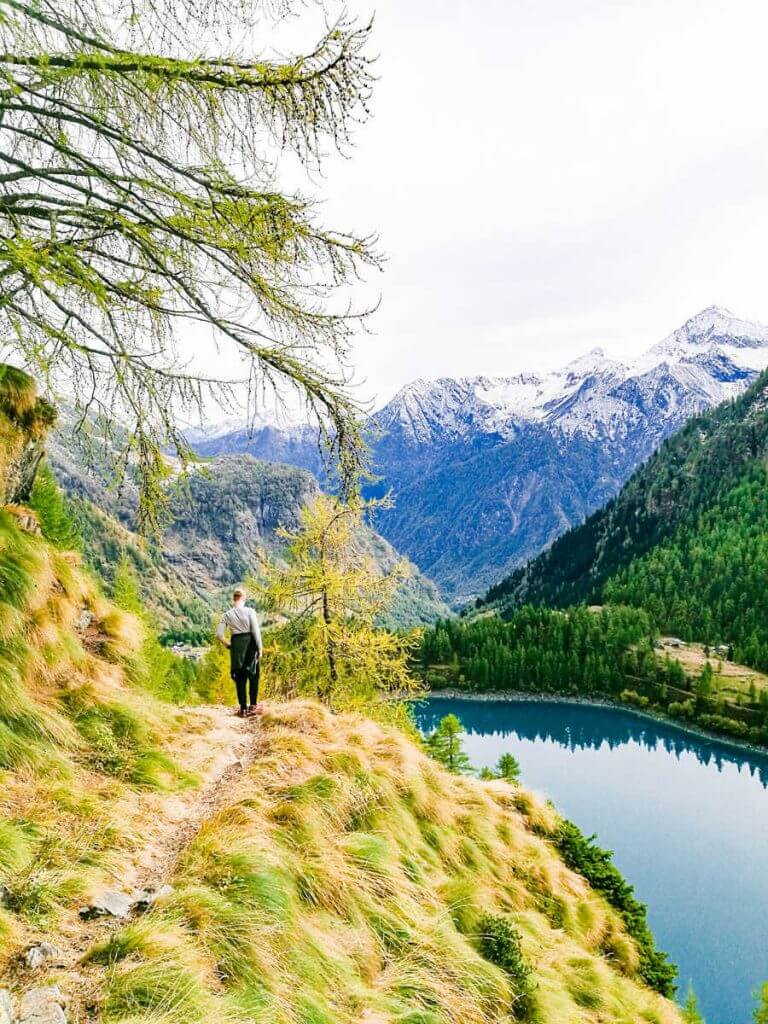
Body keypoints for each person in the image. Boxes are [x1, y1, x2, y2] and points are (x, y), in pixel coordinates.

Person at [217, 587, 264, 717]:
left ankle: (243, 709)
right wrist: (259, 648)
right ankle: (253, 706)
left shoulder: (227, 615)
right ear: (244, 598)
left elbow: (219, 634)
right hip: (250, 645)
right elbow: (255, 631)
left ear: (234, 599)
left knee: (240, 677)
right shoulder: (250, 611)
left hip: (236, 645)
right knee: (253, 675)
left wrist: (229, 645)